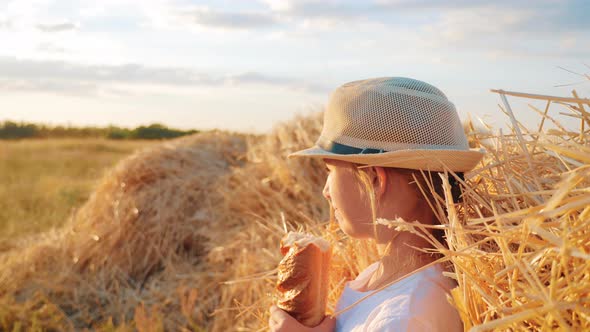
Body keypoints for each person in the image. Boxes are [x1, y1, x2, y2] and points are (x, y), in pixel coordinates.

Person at [268, 77, 485, 331]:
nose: (326, 191)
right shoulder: (379, 278)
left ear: (374, 180)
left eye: (330, 170)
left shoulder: (404, 316)